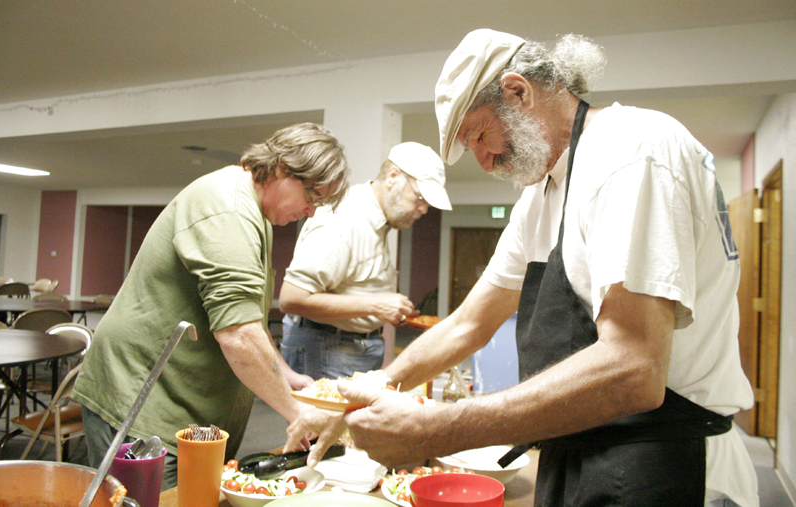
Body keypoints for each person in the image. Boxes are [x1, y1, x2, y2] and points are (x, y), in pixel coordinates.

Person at [286, 30, 759, 507]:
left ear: (517, 91)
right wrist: (366, 392)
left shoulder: (631, 151)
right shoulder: (540, 198)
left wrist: (440, 430)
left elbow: (634, 365)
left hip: (667, 456)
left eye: (478, 136)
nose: (485, 163)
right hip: (585, 445)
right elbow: (468, 324)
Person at [72, 122, 350, 489]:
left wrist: (288, 377)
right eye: (312, 196)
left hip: (184, 407)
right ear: (283, 169)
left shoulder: (255, 214)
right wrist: (296, 412)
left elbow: (247, 320)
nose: (312, 212)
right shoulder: (229, 209)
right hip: (144, 403)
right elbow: (238, 335)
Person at [278, 142, 451, 380]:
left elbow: (356, 291)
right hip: (326, 348)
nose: (423, 210)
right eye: (419, 198)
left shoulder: (380, 221)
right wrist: (377, 306)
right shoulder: (343, 219)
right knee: (323, 419)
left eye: (427, 204)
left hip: (351, 348)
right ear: (392, 176)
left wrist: (388, 312)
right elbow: (292, 299)